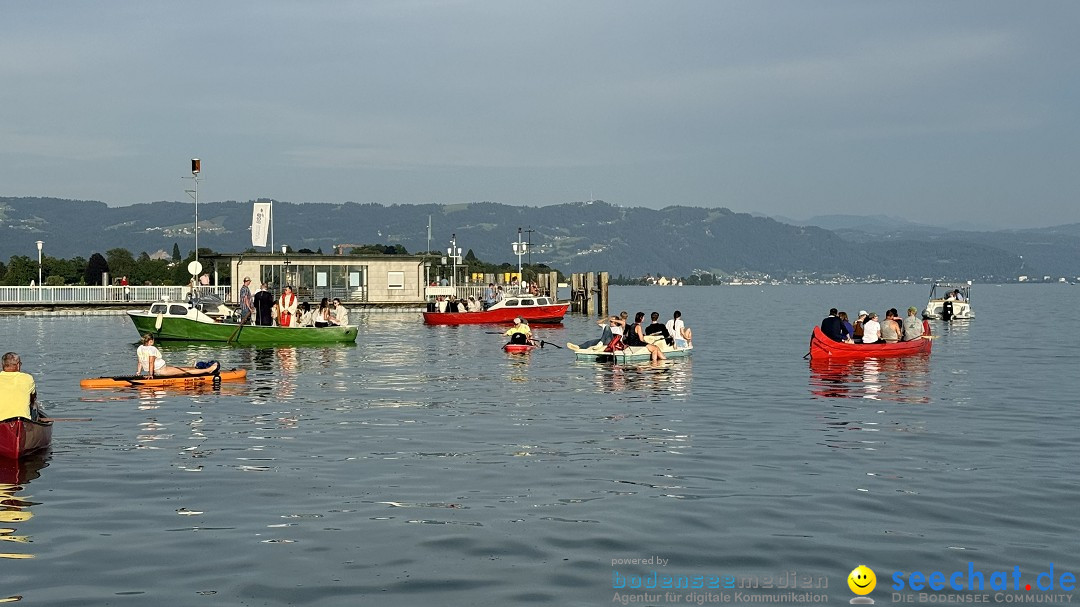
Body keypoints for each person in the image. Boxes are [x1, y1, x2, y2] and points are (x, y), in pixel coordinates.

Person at [136, 334, 217, 378]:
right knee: (186, 371)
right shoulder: (151, 349)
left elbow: (140, 362)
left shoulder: (140, 348)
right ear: (150, 341)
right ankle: (209, 370)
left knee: (181, 368)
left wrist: (138, 373)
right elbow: (151, 362)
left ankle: (194, 367)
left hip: (158, 370)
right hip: (162, 371)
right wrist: (150, 375)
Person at [0, 352, 40, 420]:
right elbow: (33, 398)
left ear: (2, 365)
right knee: (34, 405)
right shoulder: (28, 378)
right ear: (18, 365)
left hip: (2, 422)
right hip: (23, 420)